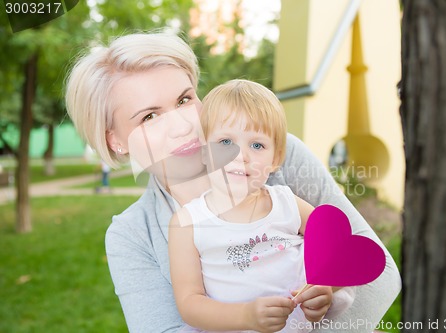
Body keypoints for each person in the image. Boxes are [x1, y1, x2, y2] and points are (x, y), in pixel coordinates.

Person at [65, 30, 401, 333]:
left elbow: (377, 272)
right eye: (150, 116)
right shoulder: (132, 235)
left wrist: (330, 292)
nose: (182, 125)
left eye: (184, 99)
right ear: (116, 140)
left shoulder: (276, 157)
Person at [169, 79, 355, 332]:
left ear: (276, 158)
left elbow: (339, 251)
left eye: (257, 145)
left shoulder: (287, 204)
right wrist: (246, 315)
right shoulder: (187, 223)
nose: (240, 156)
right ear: (203, 151)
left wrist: (324, 288)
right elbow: (189, 304)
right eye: (225, 142)